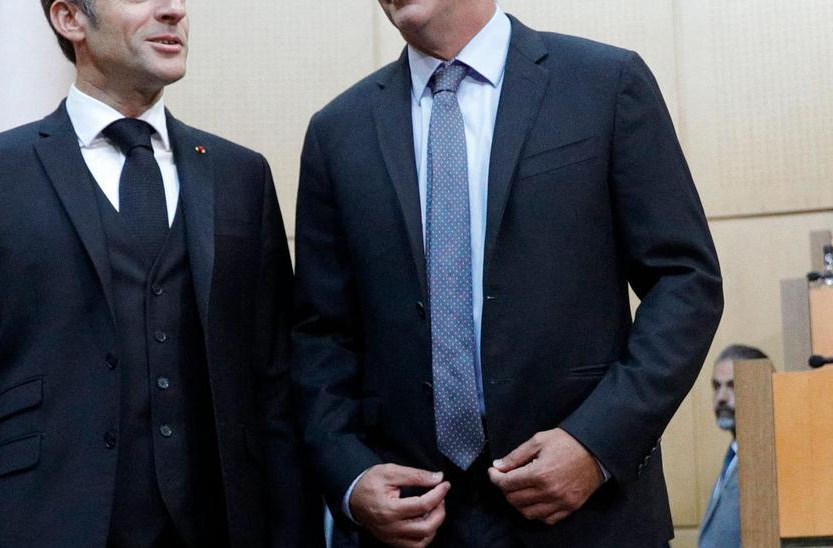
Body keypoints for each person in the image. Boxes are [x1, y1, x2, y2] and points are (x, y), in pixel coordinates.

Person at [291, 0, 724, 546]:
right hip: (414, 524)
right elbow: (318, 333)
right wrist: (350, 476)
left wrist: (596, 443)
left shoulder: (605, 83)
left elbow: (685, 281)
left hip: (587, 517)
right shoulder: (338, 131)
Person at [0, 0, 319, 546]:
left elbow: (275, 388)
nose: (173, 11)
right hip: (41, 523)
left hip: (219, 526)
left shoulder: (241, 175)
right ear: (70, 18)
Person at [699, 344, 764, 548]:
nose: (721, 398)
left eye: (732, 386)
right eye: (716, 386)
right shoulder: (734, 456)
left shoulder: (767, 461)